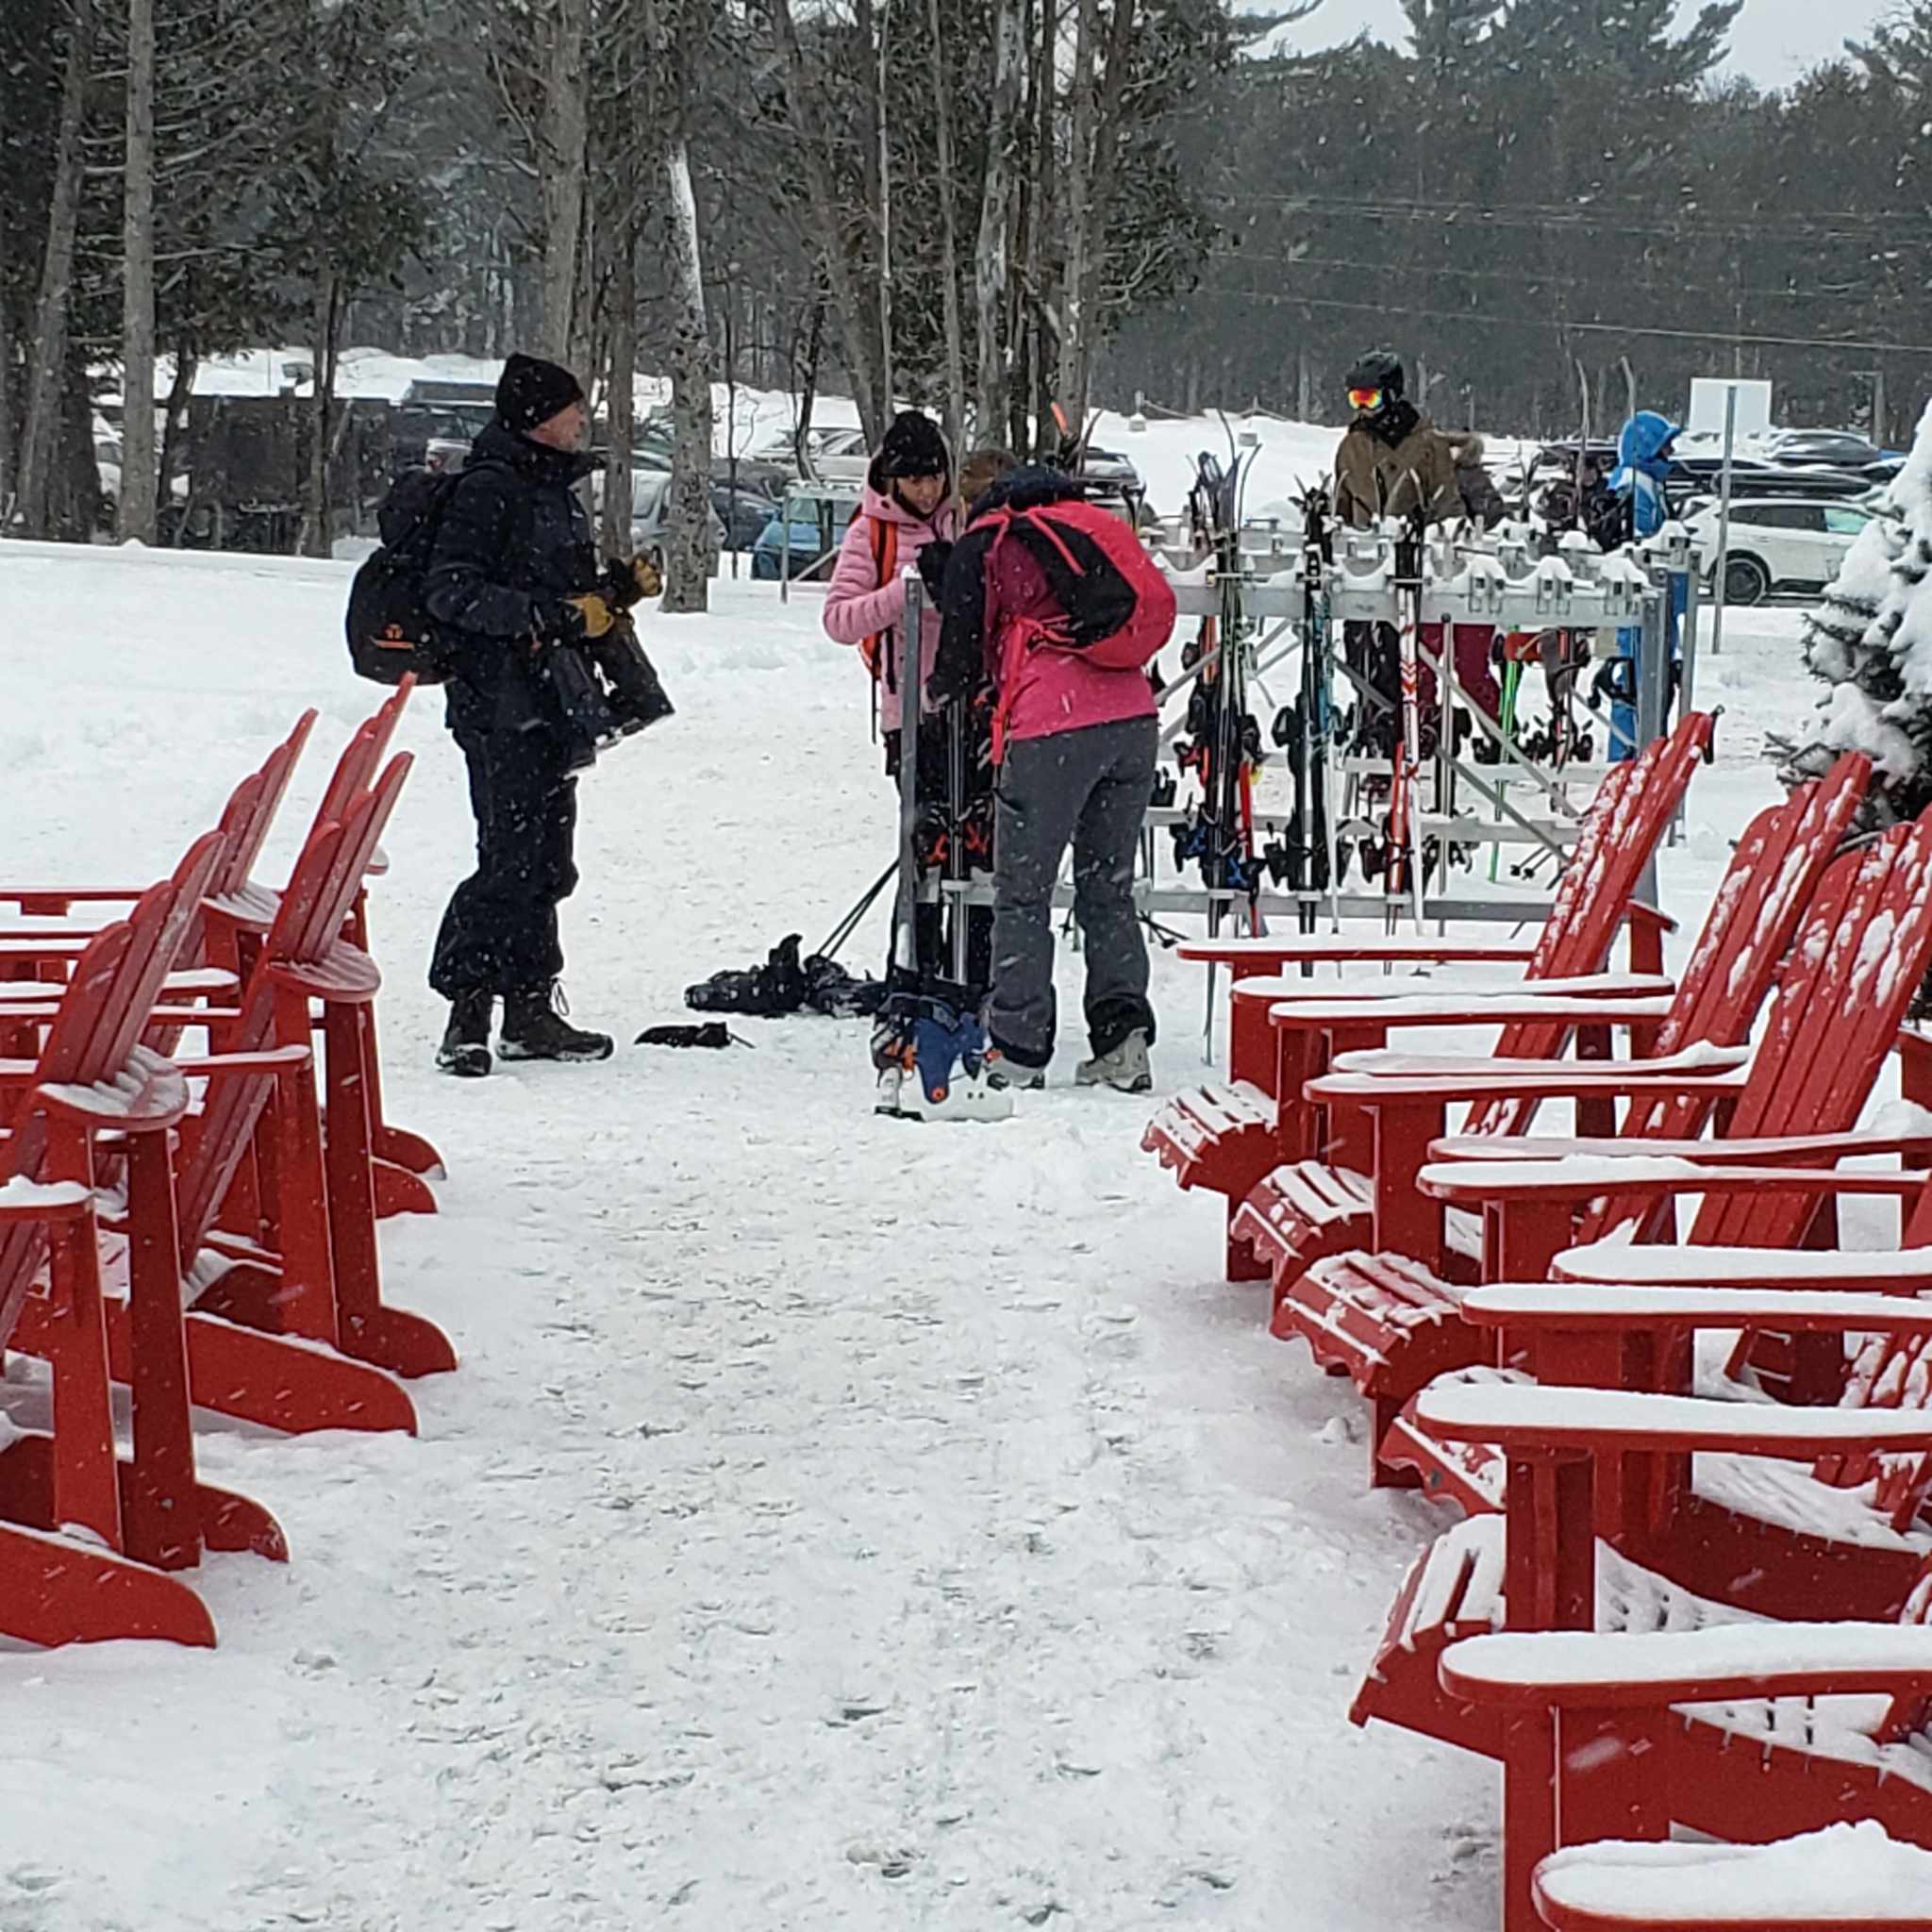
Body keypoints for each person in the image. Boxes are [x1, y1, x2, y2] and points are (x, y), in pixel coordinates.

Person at [424, 350, 648, 1077]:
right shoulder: (488, 489)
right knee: (508, 858)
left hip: (553, 702)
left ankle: (528, 1006)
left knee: (547, 860)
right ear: (536, 419)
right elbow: (452, 593)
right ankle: (468, 1009)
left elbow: (565, 595)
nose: (582, 420)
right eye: (570, 410)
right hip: (498, 705)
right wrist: (552, 615)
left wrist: (613, 593)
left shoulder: (553, 490)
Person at [929, 460, 1172, 1095]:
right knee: (1108, 889)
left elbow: (959, 657)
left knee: (1023, 892)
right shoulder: (1089, 523)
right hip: (1132, 717)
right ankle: (1123, 1041)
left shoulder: (995, 541)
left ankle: (1017, 1046)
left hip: (1050, 726)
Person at [823, 412, 993, 1107]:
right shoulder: (873, 532)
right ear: (890, 477)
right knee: (925, 848)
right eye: (914, 477)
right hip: (911, 717)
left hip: (974, 711)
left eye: (936, 476)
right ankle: (920, 975)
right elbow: (840, 619)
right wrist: (909, 589)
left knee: (979, 849)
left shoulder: (965, 522)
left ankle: (975, 978)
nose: (927, 490)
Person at [1333, 351, 1499, 738]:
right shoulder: (1352, 446)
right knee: (1365, 661)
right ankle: (1375, 735)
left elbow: (1447, 507)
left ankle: (1420, 734)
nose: (1362, 410)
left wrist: (1430, 549)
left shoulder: (1427, 446)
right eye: (1355, 400)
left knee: (1416, 664)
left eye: (1368, 399)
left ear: (1391, 395)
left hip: (1416, 571)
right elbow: (1341, 504)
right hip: (1368, 569)